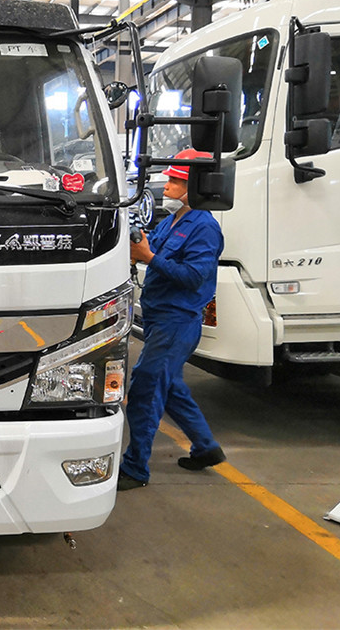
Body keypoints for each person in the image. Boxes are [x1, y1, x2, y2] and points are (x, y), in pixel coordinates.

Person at [118, 148, 227, 490]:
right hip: (158, 319)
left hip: (177, 322)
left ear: (195, 185)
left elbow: (194, 276)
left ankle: (135, 468)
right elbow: (149, 250)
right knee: (171, 388)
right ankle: (206, 447)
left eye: (176, 181)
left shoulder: (204, 228)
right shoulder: (170, 222)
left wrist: (149, 257)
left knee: (146, 389)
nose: (167, 186)